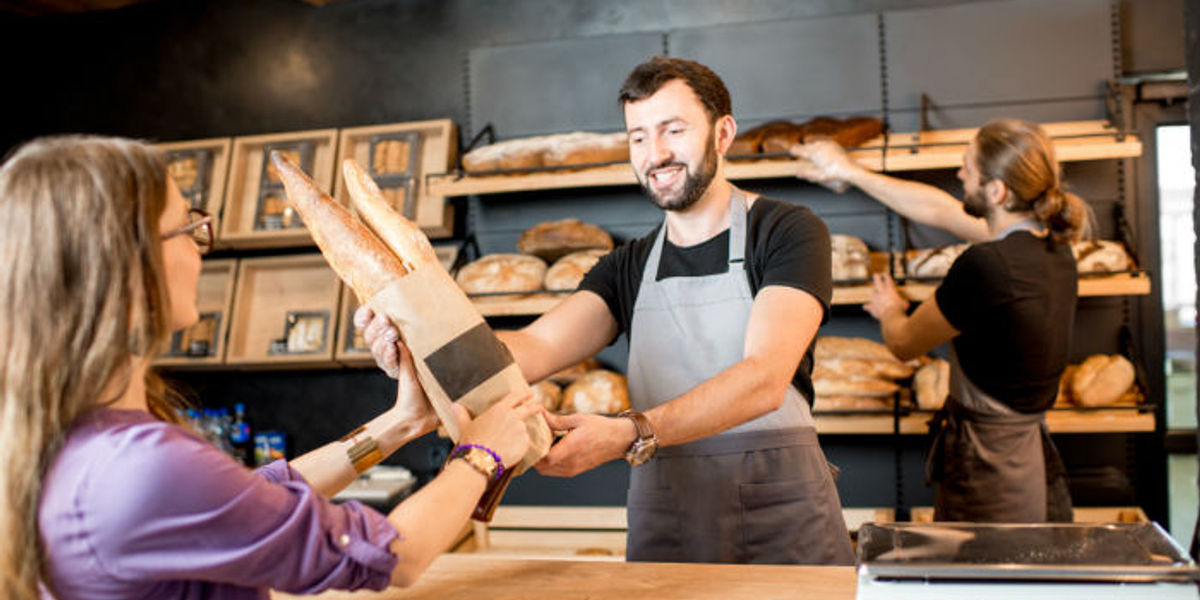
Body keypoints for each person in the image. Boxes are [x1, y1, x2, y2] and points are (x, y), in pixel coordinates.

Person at [361, 56, 853, 565]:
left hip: (779, 511)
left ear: (723, 133)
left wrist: (629, 432)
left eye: (673, 130)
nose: (655, 153)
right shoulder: (629, 265)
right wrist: (418, 341)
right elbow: (535, 347)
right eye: (638, 137)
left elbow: (765, 378)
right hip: (670, 513)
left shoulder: (787, 231)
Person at [1, 135, 538, 600]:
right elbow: (393, 554)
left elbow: (243, 498)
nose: (200, 248)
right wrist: (481, 455)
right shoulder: (143, 469)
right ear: (126, 262)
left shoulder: (72, 438)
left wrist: (399, 424)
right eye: (187, 228)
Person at [791, 118, 1089, 522]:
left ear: (997, 191)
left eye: (968, 167)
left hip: (987, 464)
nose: (959, 173)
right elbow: (943, 211)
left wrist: (889, 308)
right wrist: (849, 171)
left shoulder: (984, 265)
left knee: (980, 575)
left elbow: (903, 344)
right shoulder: (1056, 251)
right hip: (1029, 456)